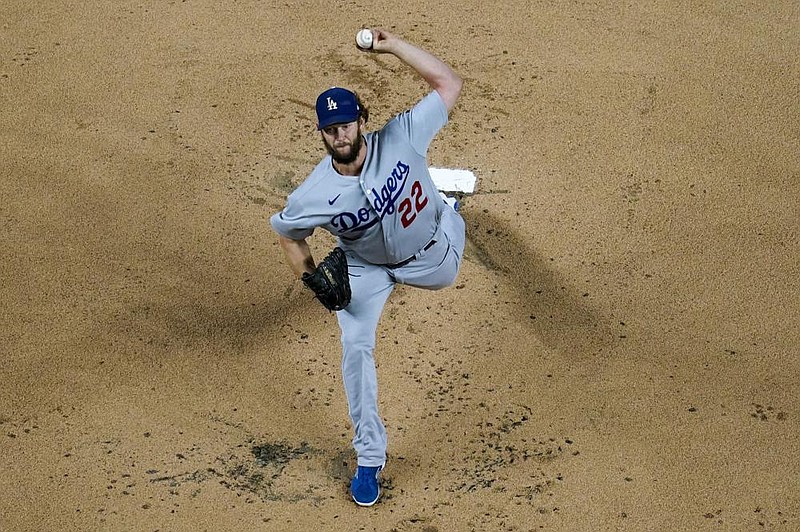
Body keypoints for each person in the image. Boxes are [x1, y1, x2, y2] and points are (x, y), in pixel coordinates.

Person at [270, 28, 465, 507]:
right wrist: (314, 281)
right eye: (331, 129)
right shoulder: (314, 193)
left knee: (450, 267)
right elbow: (287, 234)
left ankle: (448, 203)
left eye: (347, 124)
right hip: (366, 269)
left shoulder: (400, 135)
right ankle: (369, 458)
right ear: (322, 133)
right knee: (355, 347)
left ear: (362, 120)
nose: (341, 135)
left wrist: (394, 45)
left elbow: (449, 85)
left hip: (430, 252)